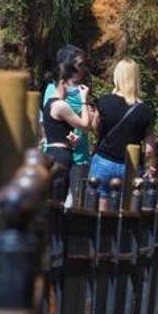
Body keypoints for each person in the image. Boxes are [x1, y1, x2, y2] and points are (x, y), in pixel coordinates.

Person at [90, 59, 157, 203]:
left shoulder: (104, 101)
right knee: (125, 213)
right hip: (130, 166)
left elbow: (95, 126)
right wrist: (150, 166)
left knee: (97, 208)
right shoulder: (146, 111)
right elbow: (150, 148)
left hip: (104, 161)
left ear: (117, 77)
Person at [41, 55, 97, 203]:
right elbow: (85, 126)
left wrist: (74, 140)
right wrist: (84, 100)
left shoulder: (49, 104)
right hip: (60, 156)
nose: (74, 87)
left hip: (55, 152)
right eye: (71, 83)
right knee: (57, 202)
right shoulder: (61, 105)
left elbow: (61, 133)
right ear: (62, 82)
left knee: (54, 200)